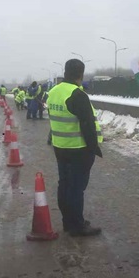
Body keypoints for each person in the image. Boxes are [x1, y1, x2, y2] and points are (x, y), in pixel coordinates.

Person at [47, 59, 103, 236]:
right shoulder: (77, 95)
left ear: (65, 72)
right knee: (77, 188)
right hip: (79, 149)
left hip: (60, 147)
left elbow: (53, 117)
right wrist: (94, 148)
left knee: (64, 184)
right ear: (81, 74)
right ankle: (78, 225)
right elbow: (87, 125)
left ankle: (68, 222)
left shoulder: (53, 92)